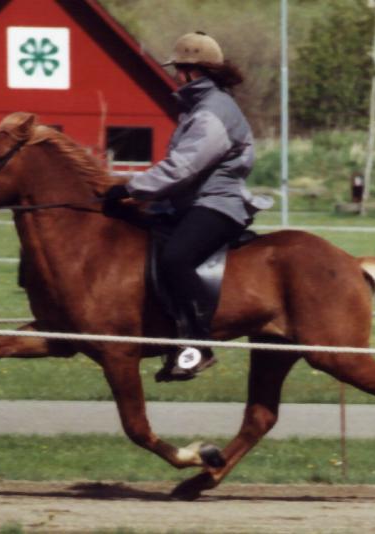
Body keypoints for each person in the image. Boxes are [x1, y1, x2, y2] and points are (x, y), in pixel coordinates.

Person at [102, 31, 271, 381]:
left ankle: (197, 347)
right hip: (191, 202)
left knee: (176, 257)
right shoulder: (200, 108)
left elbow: (184, 167)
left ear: (193, 71)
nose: (175, 76)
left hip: (217, 205)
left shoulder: (213, 112)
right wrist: (135, 199)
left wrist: (130, 187)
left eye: (178, 69)